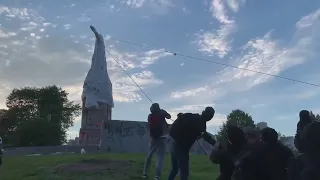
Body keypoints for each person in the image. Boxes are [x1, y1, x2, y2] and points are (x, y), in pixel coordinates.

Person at [168, 107, 216, 180]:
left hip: (173, 141)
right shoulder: (201, 123)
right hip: (181, 147)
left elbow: (181, 116)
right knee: (184, 172)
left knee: (175, 169)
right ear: (210, 117)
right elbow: (205, 137)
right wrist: (216, 144)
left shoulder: (193, 116)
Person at [142, 103, 171, 180]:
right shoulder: (162, 114)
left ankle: (144, 173)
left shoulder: (150, 116)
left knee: (149, 156)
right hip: (162, 138)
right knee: (160, 157)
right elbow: (169, 116)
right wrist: (163, 112)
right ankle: (157, 176)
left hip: (153, 138)